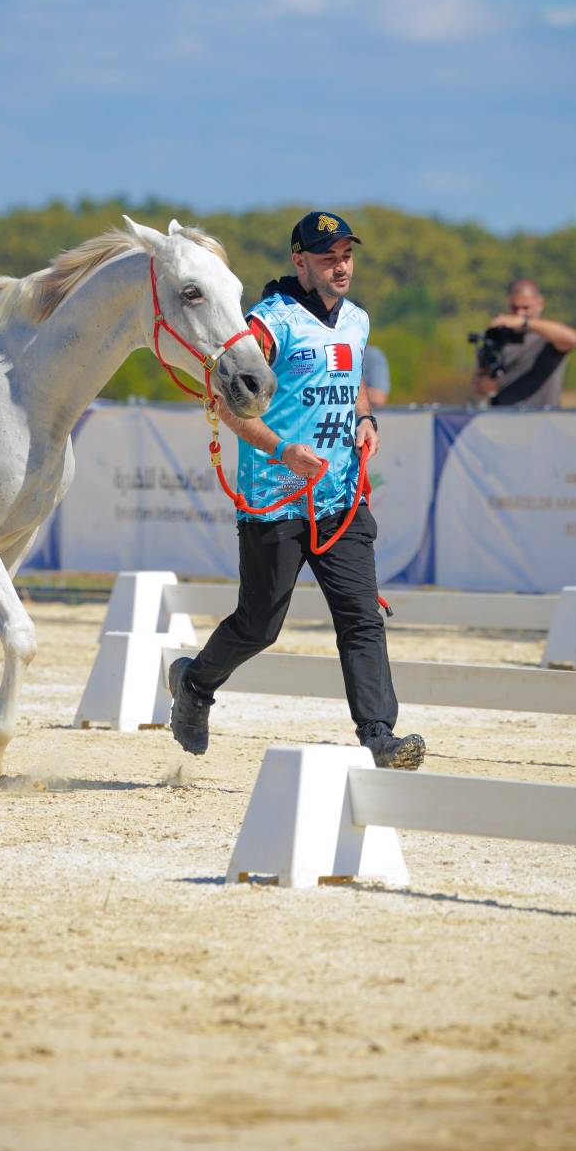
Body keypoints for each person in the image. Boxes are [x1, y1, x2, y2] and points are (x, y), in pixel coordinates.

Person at [166, 211, 426, 770]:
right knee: (259, 626)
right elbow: (228, 405)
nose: (341, 267)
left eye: (347, 256)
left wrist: (367, 421)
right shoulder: (268, 323)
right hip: (275, 500)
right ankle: (194, 683)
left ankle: (380, 735)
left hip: (340, 499)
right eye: (328, 257)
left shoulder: (357, 320)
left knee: (361, 617)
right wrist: (283, 449)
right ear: (299, 260)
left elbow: (352, 384)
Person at [473, 278, 576, 409]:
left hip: (543, 420)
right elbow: (479, 388)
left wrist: (525, 323)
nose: (520, 313)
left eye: (526, 308)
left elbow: (571, 339)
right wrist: (484, 382)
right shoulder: (497, 339)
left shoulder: (548, 337)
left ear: (540, 304)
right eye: (515, 308)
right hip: (505, 418)